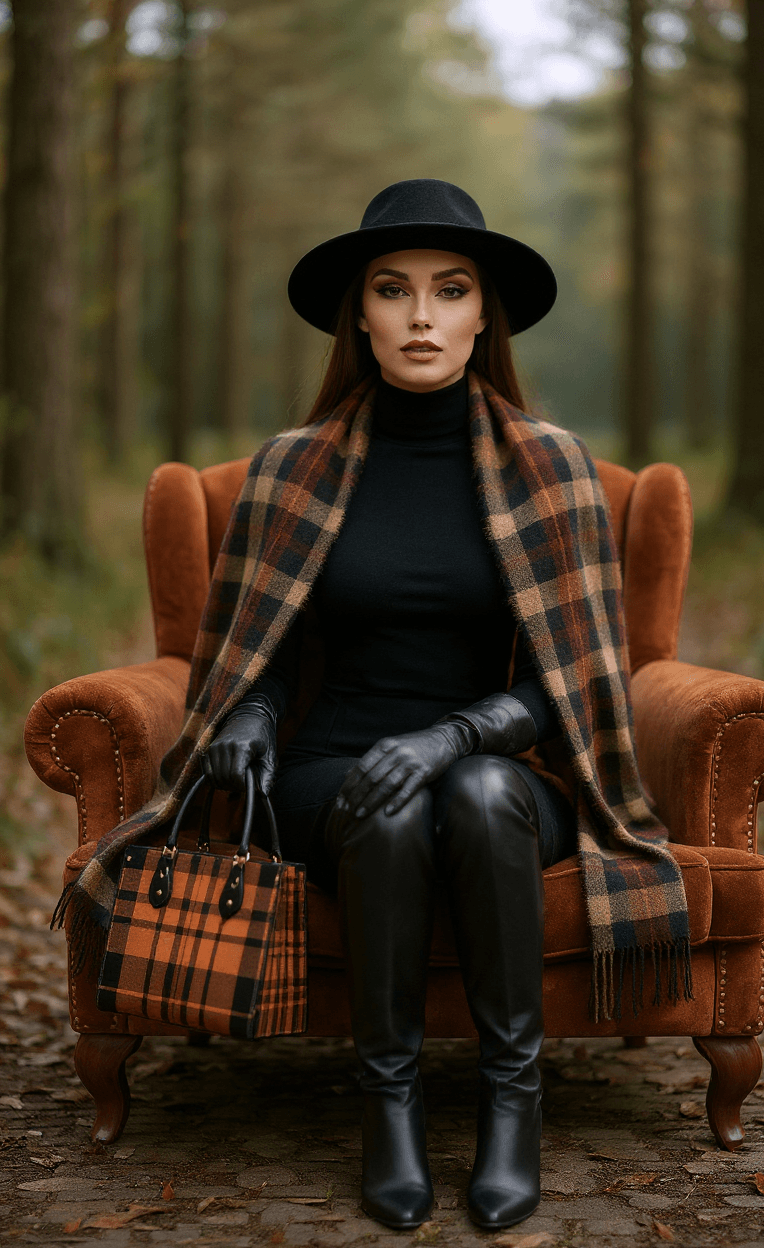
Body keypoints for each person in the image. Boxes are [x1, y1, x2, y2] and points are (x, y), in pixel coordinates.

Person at [61, 179, 691, 1235]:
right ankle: (389, 1107)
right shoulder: (289, 471)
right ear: (360, 313)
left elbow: (578, 673)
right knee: (383, 799)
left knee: (478, 793)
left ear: (484, 314)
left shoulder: (556, 470)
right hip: (332, 771)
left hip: (503, 768)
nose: (421, 316)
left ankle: (509, 1104)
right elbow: (251, 654)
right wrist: (250, 726)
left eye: (450, 292)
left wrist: (458, 730)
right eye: (393, 292)